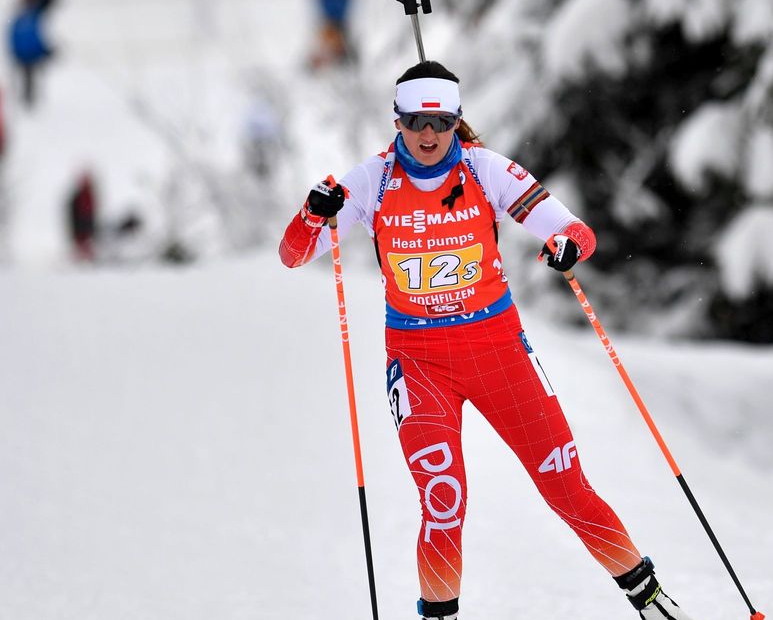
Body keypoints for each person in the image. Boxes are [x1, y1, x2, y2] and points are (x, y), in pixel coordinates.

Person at [278, 61, 694, 620]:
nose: (429, 136)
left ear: (457, 121)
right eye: (416, 122)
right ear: (397, 120)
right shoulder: (370, 181)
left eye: (442, 122)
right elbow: (294, 254)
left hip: (499, 353)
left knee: (566, 486)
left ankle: (651, 599)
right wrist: (312, 214)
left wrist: (566, 245)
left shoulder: (484, 170)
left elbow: (575, 230)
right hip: (420, 363)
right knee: (444, 502)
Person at [68, 170, 97, 262]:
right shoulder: (77, 197)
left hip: (87, 227)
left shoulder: (90, 195)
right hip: (80, 228)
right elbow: (73, 216)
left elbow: (92, 213)